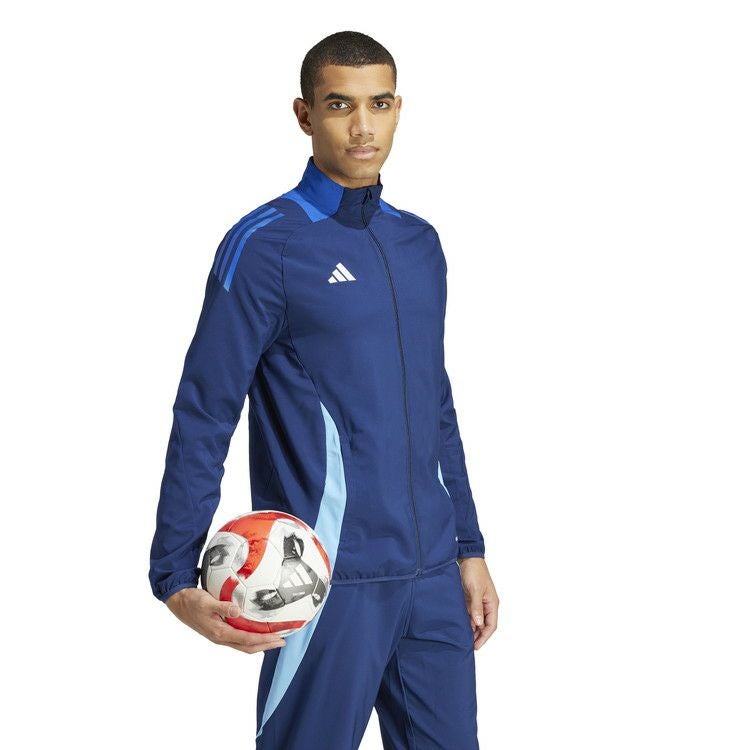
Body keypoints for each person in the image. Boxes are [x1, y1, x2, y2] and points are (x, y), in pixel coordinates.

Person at [148, 29, 500, 749]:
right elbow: (206, 408)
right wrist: (174, 572)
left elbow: (435, 405)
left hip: (433, 578)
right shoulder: (265, 244)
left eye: (379, 104)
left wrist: (469, 547)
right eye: (341, 105)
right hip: (321, 581)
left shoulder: (419, 243)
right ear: (305, 114)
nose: (363, 126)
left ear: (398, 109)